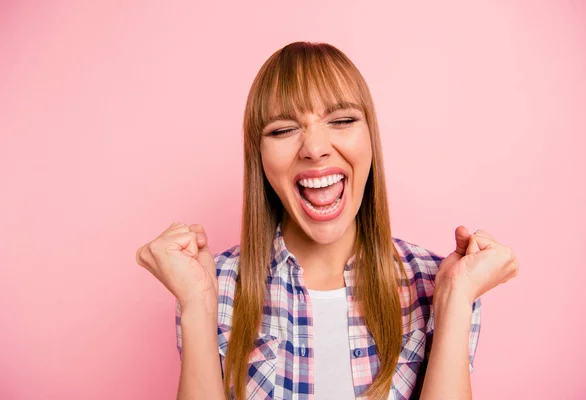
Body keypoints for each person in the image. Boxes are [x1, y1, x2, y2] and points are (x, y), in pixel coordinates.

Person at [135, 41, 519, 400]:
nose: (315, 149)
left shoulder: (438, 283)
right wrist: (196, 304)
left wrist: (455, 300)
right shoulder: (215, 286)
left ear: (371, 138)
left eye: (341, 120)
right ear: (260, 157)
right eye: (284, 130)